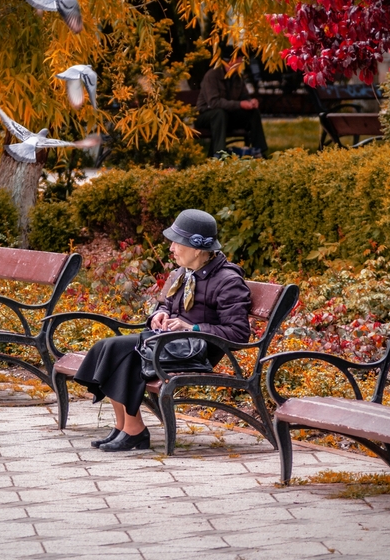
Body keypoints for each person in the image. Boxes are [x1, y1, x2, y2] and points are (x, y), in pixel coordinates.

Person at [73, 209, 253, 452]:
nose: (171, 248)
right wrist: (160, 314)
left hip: (196, 352)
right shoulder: (182, 274)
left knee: (124, 352)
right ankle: (123, 426)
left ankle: (134, 431)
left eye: (176, 243)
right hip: (170, 342)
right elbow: (164, 304)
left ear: (197, 248)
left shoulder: (227, 280)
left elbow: (239, 333)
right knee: (108, 346)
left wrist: (192, 327)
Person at [196, 57, 267, 158]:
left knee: (253, 113)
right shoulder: (212, 75)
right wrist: (239, 104)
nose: (239, 65)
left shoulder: (238, 76)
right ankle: (219, 154)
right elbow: (214, 103)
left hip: (227, 116)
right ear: (228, 62)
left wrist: (250, 102)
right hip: (206, 115)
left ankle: (259, 151)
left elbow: (244, 96)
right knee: (219, 113)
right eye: (238, 62)